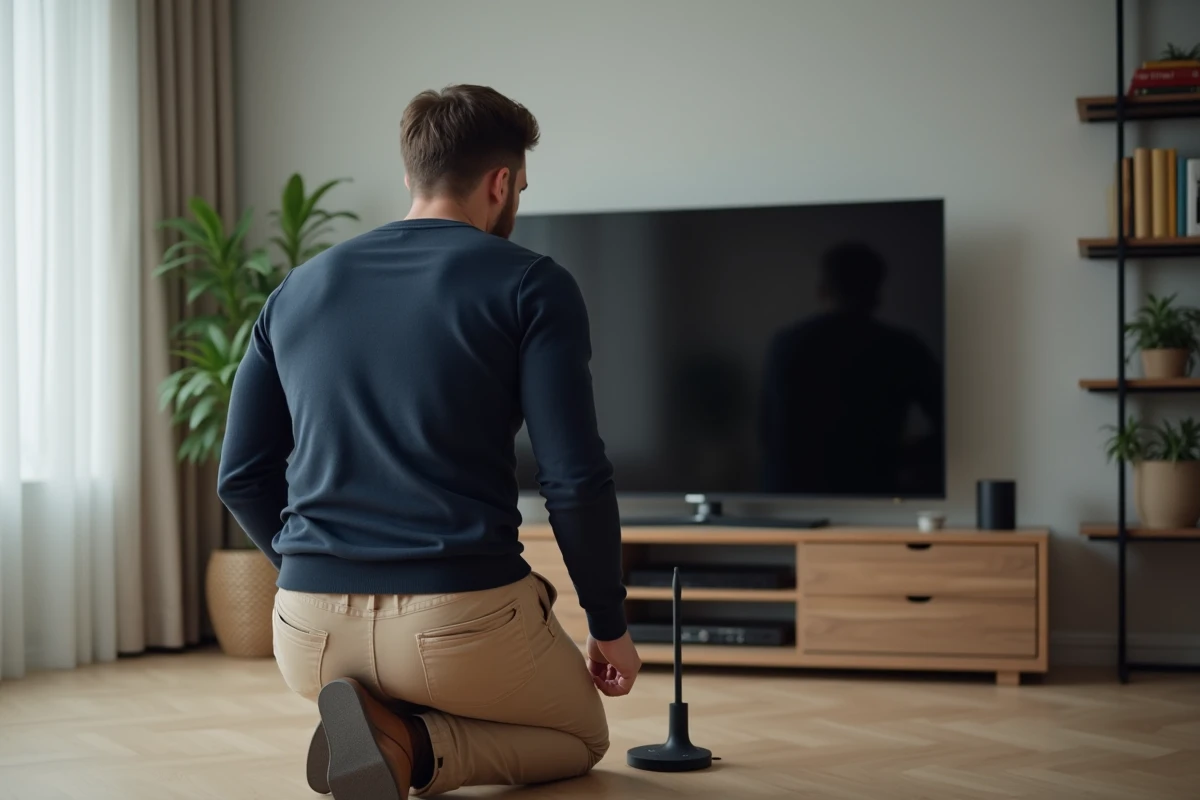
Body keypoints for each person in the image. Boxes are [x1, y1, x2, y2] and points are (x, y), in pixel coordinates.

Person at [216, 84, 641, 800]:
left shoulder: (295, 290)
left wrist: (316, 570)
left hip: (308, 637)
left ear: (411, 173)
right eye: (520, 188)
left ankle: (379, 722)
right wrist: (609, 624)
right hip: (457, 621)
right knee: (580, 737)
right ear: (501, 183)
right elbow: (572, 478)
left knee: (453, 653)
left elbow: (242, 476)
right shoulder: (532, 284)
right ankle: (412, 746)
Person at [760, 241, 943, 495]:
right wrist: (894, 457)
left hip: (789, 492)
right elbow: (945, 424)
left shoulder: (786, 343)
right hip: (873, 488)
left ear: (822, 289)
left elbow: (767, 431)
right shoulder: (901, 347)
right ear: (876, 294)